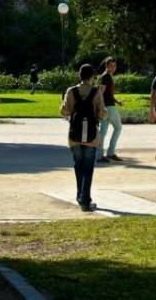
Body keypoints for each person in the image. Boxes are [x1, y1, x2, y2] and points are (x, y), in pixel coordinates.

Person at [60, 64, 107, 212]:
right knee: (88, 168)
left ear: (80, 75)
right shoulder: (96, 91)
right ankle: (85, 200)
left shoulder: (71, 91)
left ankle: (80, 196)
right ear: (91, 76)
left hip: (74, 134)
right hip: (91, 135)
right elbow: (102, 113)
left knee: (78, 166)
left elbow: (64, 111)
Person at [96, 57, 124, 163]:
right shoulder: (106, 77)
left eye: (114, 66)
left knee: (103, 131)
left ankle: (100, 156)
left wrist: (117, 101)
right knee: (118, 128)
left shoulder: (105, 76)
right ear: (106, 66)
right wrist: (102, 107)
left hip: (107, 106)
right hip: (108, 107)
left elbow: (108, 94)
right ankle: (110, 153)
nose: (113, 68)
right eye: (111, 66)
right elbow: (100, 92)